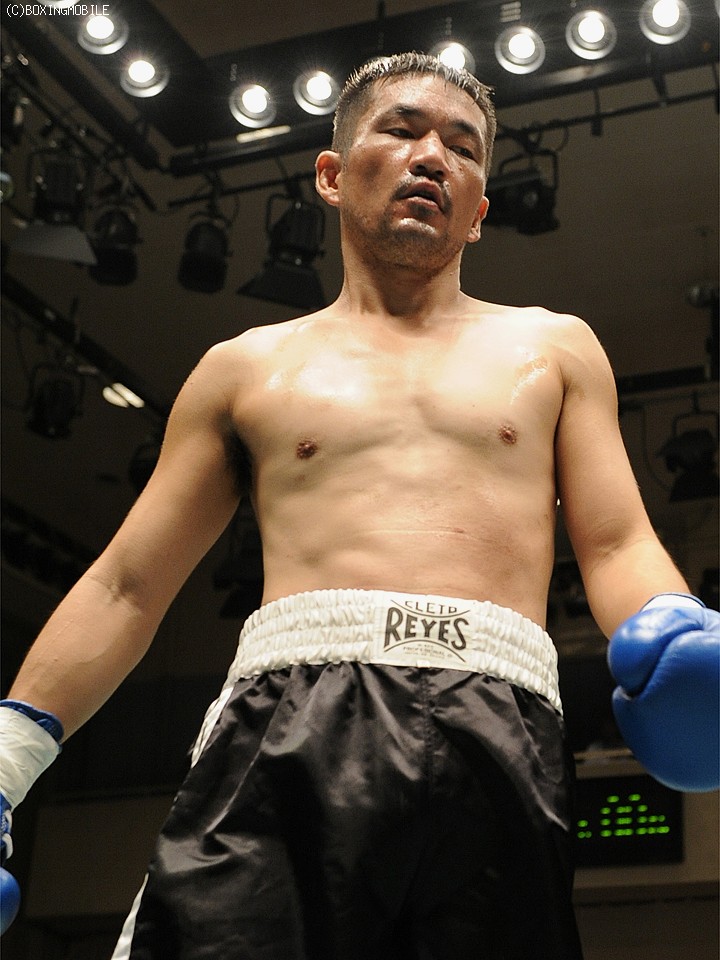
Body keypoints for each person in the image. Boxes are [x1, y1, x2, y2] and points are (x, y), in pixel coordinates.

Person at [1, 52, 718, 959]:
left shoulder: (555, 348)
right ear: (332, 176)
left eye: (463, 147)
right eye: (403, 130)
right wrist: (6, 764)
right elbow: (127, 586)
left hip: (500, 718)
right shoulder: (245, 368)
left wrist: (681, 633)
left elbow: (616, 543)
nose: (433, 157)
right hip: (293, 707)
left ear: (480, 211)